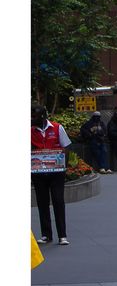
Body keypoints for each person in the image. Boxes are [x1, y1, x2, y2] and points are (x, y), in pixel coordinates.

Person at [31, 105, 71, 245]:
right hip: (38, 172)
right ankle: (46, 235)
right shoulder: (29, 131)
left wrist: (61, 164)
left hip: (56, 172)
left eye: (34, 116)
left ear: (42, 116)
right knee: (42, 203)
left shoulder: (57, 127)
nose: (31, 119)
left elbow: (66, 146)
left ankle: (62, 235)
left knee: (58, 201)